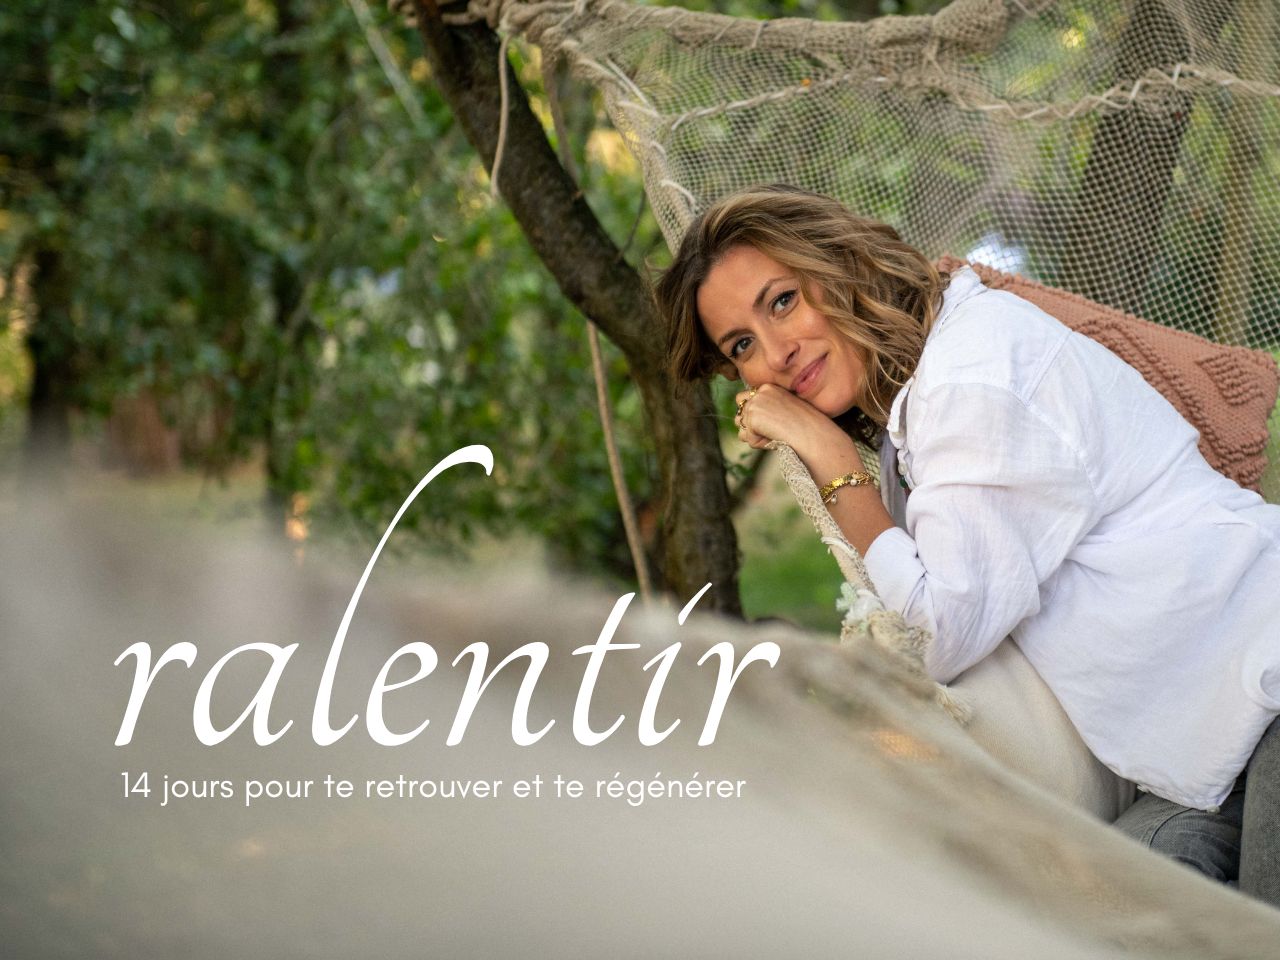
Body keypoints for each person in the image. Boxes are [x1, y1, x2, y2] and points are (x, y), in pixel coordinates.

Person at [654, 184, 1280, 905]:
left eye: (783, 301)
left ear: (840, 263)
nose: (777, 352)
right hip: (1208, 747)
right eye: (742, 345)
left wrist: (829, 458)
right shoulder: (921, 396)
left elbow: (936, 631)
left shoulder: (970, 380)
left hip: (1262, 676)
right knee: (1111, 920)